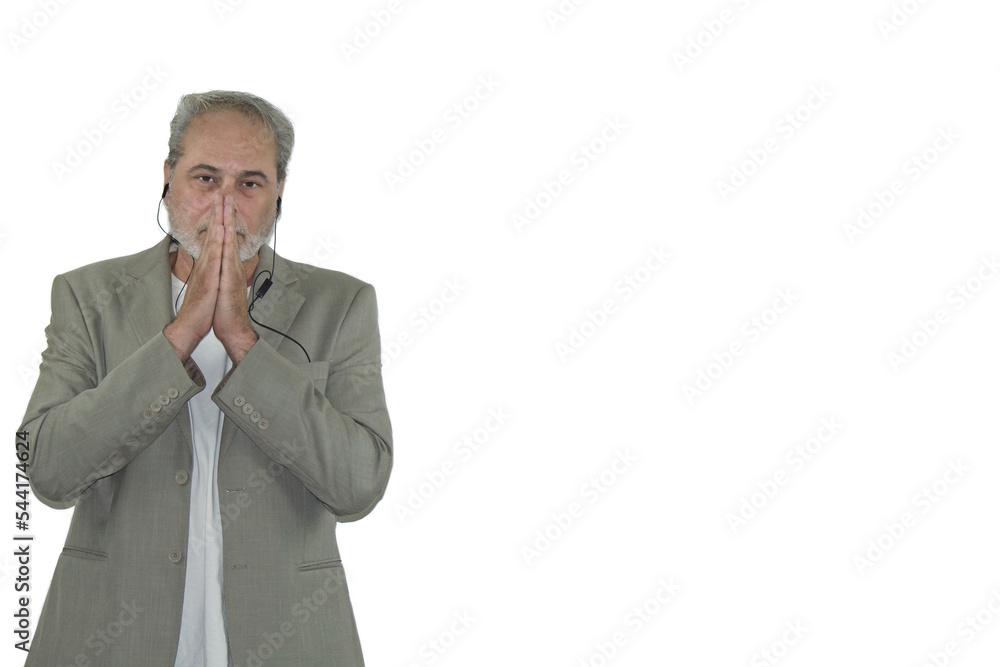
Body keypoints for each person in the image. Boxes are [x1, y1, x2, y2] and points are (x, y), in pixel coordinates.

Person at [18, 90, 393, 666]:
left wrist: (243, 340)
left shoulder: (340, 304)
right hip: (110, 637)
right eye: (205, 178)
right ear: (167, 178)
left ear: (280, 192)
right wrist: (179, 337)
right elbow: (48, 471)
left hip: (288, 639)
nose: (225, 206)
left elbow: (358, 487)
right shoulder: (88, 296)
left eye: (250, 183)